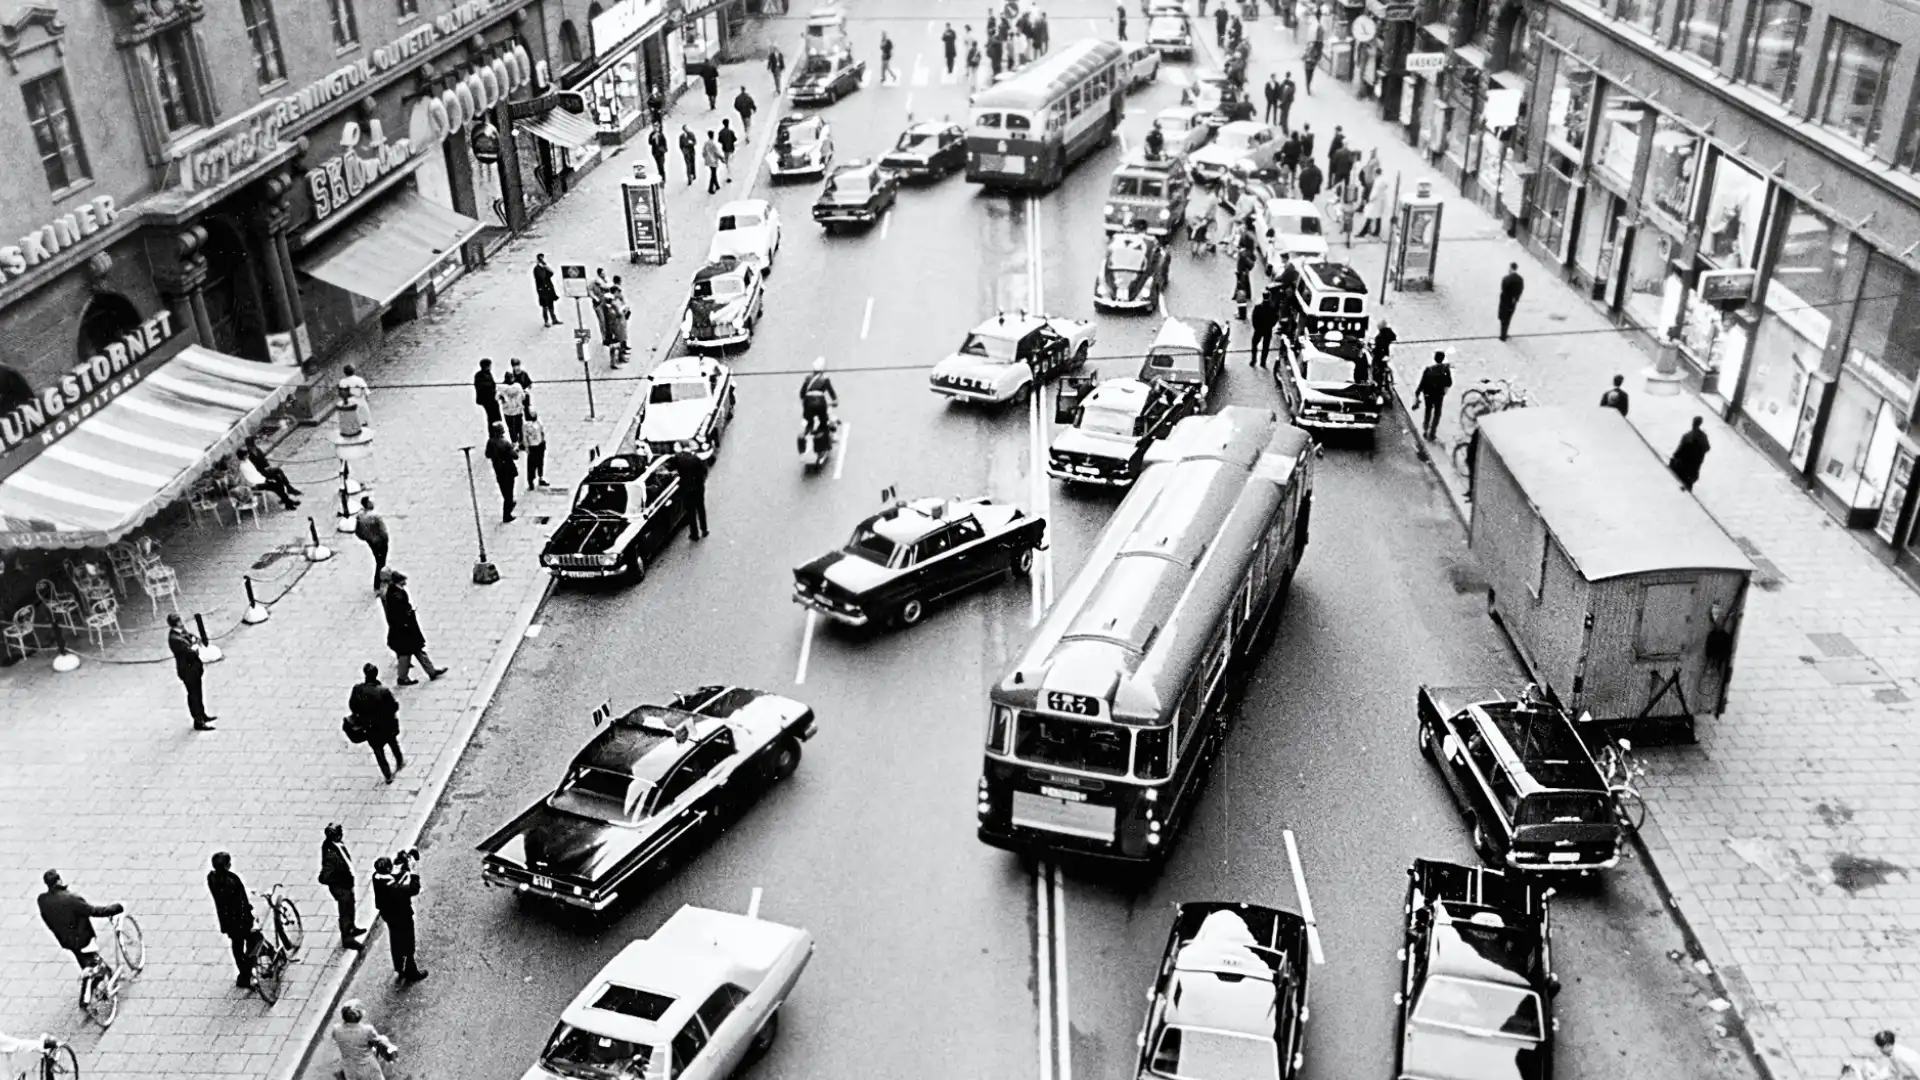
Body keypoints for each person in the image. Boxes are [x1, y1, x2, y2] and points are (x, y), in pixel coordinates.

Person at [38, 871, 124, 986]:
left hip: (65, 940)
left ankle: (98, 980)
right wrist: (115, 908)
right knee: (92, 960)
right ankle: (99, 983)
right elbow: (93, 911)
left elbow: (46, 919)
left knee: (83, 960)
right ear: (59, 881)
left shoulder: (42, 900)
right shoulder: (72, 899)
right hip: (83, 938)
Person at [378, 574, 445, 687]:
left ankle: (431, 671)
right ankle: (403, 677)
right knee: (407, 654)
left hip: (407, 629)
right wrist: (407, 617)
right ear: (398, 582)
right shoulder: (396, 596)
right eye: (403, 580)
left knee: (418, 650)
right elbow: (398, 614)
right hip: (404, 630)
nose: (405, 582)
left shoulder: (395, 592)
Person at [371, 853, 426, 983]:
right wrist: (413, 871)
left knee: (396, 942)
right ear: (388, 870)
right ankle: (411, 972)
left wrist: (401, 869)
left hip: (388, 915)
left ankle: (399, 967)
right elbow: (413, 888)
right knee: (407, 944)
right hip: (401, 916)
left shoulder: (377, 877)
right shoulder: (392, 888)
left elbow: (393, 877)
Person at [350, 662, 407, 782]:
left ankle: (387, 775)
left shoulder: (357, 690)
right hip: (385, 724)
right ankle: (399, 761)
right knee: (393, 743)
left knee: (378, 751)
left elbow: (353, 707)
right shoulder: (383, 691)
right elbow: (393, 707)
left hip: (370, 727)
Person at [206, 852, 255, 988]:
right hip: (240, 920)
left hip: (228, 922)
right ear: (227, 865)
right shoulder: (231, 882)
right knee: (254, 940)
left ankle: (243, 974)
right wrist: (249, 914)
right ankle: (247, 971)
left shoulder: (212, 878)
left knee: (237, 945)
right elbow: (240, 903)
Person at [319, 823, 364, 950]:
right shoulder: (330, 855)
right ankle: (347, 939)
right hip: (341, 888)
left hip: (347, 884)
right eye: (340, 833)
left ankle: (352, 928)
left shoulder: (334, 844)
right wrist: (340, 882)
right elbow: (325, 877)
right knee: (345, 912)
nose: (342, 835)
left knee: (351, 907)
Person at [168, 612, 215, 729]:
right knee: (193, 695)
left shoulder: (181, 631)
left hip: (194, 666)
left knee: (198, 692)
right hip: (187, 669)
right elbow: (188, 652)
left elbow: (191, 637)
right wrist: (195, 646)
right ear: (175, 624)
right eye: (179, 621)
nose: (182, 623)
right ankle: (198, 720)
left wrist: (194, 640)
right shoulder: (174, 639)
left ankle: (202, 714)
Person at [331, 1002, 399, 1080]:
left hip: (350, 1067)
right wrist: (386, 1042)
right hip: (368, 1066)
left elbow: (335, 1037)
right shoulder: (367, 1029)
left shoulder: (336, 1029)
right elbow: (378, 1040)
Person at [670, 450, 710, 540]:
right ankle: (704, 529)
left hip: (686, 490)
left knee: (690, 512)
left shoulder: (679, 461)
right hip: (698, 488)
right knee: (701, 509)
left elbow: (672, 469)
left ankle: (694, 534)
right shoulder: (696, 459)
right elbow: (704, 471)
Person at [1416, 350, 1454, 441]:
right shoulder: (1445, 369)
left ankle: (1425, 429)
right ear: (1443, 359)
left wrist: (1417, 393)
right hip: (1439, 395)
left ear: (1434, 358)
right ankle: (1432, 432)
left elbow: (1422, 382)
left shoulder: (1428, 369)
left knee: (1428, 411)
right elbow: (1449, 383)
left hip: (1428, 394)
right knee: (1437, 413)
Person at [354, 496, 389, 592]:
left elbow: (358, 532)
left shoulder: (360, 516)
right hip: (380, 542)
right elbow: (383, 531)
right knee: (381, 562)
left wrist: (366, 538)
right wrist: (385, 540)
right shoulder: (375, 517)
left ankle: (380, 581)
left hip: (371, 542)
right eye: (370, 501)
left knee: (379, 561)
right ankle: (378, 584)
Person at [486, 421, 519, 522]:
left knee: (504, 489)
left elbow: (487, 455)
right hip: (508, 470)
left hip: (498, 470)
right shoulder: (505, 443)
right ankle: (507, 515)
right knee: (509, 492)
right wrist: (513, 449)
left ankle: (509, 503)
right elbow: (515, 456)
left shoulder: (490, 442)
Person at [1669, 416, 1711, 491]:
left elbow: (1678, 451)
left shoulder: (1687, 436)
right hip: (1694, 468)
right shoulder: (1703, 437)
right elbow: (1707, 448)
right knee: (1688, 483)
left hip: (1683, 466)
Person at [801, 357, 838, 436]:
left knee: (809, 421)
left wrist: (805, 402)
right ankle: (822, 434)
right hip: (820, 402)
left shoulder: (808, 378)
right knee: (823, 421)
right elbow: (831, 391)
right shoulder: (825, 378)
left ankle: (806, 433)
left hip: (808, 403)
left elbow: (801, 393)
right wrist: (835, 400)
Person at [1249, 290, 1278, 369]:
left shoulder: (1258, 307)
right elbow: (1275, 318)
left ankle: (1253, 360)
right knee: (1266, 346)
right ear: (1269, 296)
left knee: (1254, 344)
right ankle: (1263, 362)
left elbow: (1253, 318)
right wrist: (1271, 325)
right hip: (1268, 330)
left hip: (1258, 329)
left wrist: (1256, 327)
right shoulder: (1272, 307)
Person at [1498, 262, 1525, 341]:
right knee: (1509, 317)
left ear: (1511, 268)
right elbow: (1520, 290)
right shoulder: (1520, 279)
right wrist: (1516, 299)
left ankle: (1503, 335)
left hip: (1505, 302)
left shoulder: (1506, 279)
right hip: (1513, 303)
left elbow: (1503, 290)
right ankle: (1505, 333)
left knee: (1503, 318)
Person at [523, 408, 548, 489]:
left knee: (539, 463)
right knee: (532, 465)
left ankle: (539, 478)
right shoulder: (527, 425)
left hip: (538, 445)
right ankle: (531, 482)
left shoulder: (537, 423)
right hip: (533, 446)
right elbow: (525, 437)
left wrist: (543, 442)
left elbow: (542, 432)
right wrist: (526, 447)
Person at [532, 254, 558, 327]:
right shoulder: (537, 269)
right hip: (542, 290)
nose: (542, 260)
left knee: (551, 305)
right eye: (541, 259)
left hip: (549, 288)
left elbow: (551, 273)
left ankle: (554, 319)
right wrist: (542, 267)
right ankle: (546, 321)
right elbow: (542, 277)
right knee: (545, 306)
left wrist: (545, 266)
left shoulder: (543, 268)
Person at [473, 358, 499, 431]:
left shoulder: (486, 374)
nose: (491, 367)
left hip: (490, 399)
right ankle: (494, 433)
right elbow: (485, 387)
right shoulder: (481, 375)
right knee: (493, 417)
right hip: (488, 400)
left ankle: (495, 432)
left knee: (493, 417)